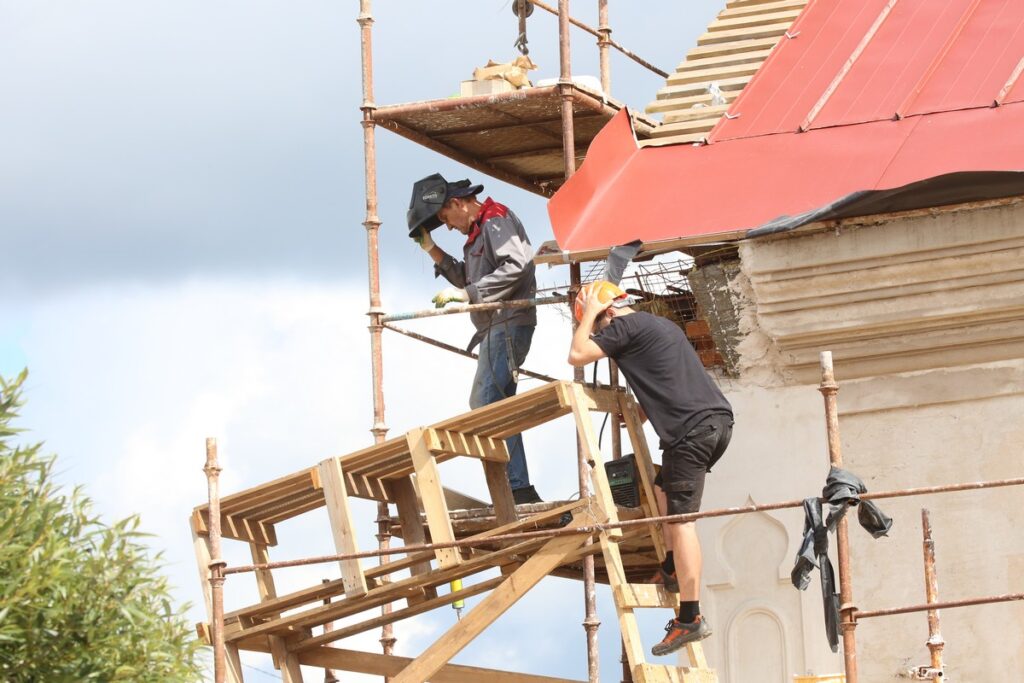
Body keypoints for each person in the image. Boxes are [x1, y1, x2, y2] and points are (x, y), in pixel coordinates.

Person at [568, 280, 733, 655]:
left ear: (607, 312)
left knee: (682, 521)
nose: (598, 334)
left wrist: (590, 313)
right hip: (710, 424)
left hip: (693, 432)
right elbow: (667, 375)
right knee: (663, 487)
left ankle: (690, 618)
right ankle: (673, 567)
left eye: (598, 325)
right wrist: (645, 411)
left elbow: (577, 355)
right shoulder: (656, 326)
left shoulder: (623, 326)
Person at [407, 173, 542, 504]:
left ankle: (518, 489)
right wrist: (432, 250)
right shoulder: (478, 233)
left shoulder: (495, 219)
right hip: (496, 326)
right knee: (495, 405)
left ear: (456, 204)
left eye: (444, 219)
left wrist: (470, 294)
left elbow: (517, 266)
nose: (448, 227)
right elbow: (470, 279)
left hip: (507, 322)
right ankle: (518, 488)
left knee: (484, 403)